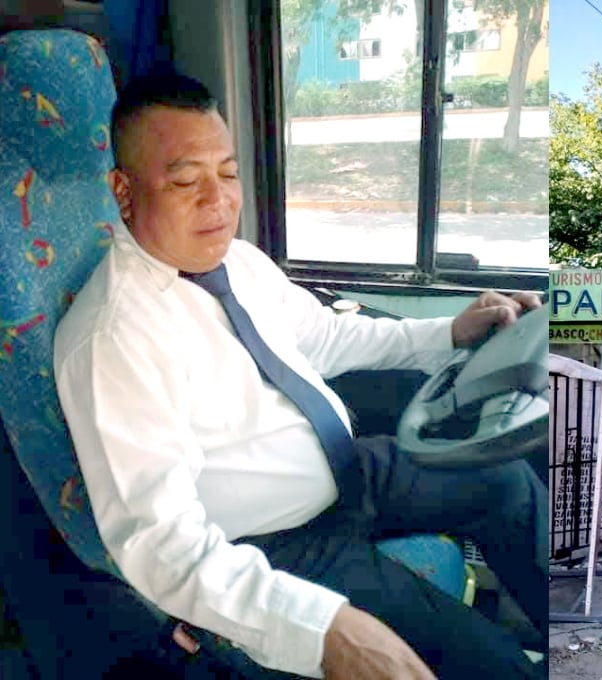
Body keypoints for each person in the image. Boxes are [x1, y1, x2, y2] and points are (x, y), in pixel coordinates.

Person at [53, 72, 545, 679]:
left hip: (349, 475)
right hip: (280, 543)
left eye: (228, 174)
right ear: (123, 192)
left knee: (507, 483)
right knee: (494, 667)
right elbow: (162, 546)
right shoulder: (115, 336)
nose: (219, 201)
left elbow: (325, 337)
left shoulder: (237, 260)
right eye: (185, 181)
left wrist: (448, 331)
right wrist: (323, 629)